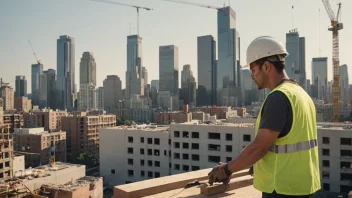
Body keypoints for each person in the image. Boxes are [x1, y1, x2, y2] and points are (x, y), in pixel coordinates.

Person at [207, 36, 320, 198]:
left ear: (266, 66)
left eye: (253, 70)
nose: (252, 76)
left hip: (281, 188)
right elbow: (286, 141)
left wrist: (226, 169)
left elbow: (259, 148)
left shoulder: (279, 97)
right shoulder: (301, 94)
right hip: (303, 186)